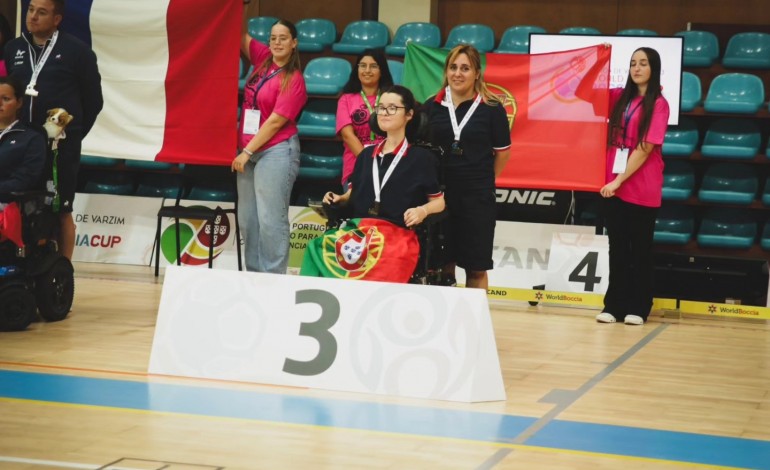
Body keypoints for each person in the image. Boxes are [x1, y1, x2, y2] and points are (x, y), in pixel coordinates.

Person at [301, 85, 445, 283]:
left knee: (384, 261)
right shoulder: (366, 155)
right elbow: (355, 192)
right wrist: (340, 198)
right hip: (360, 231)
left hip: (395, 235)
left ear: (409, 114)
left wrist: (422, 210)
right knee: (316, 247)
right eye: (381, 107)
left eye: (392, 108)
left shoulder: (421, 158)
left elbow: (439, 202)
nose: (384, 113)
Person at [3, 0, 103, 260]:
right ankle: (24, 266)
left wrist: (72, 135)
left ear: (57, 19)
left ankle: (63, 274)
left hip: (59, 148)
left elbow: (93, 101)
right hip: (22, 146)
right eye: (31, 10)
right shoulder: (13, 48)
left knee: (60, 209)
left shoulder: (77, 52)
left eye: (42, 12)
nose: (33, 16)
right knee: (22, 205)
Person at [594, 47, 670, 325]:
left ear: (654, 68)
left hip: (640, 185)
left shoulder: (659, 104)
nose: (637, 68)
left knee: (639, 249)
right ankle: (614, 305)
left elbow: (646, 146)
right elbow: (580, 93)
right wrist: (595, 58)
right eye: (633, 64)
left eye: (643, 64)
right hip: (612, 185)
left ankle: (639, 306)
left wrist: (618, 180)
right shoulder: (617, 96)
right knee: (617, 248)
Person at [425, 44, 511, 290]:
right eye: (453, 67)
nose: (458, 74)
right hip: (439, 196)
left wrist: (482, 181)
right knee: (441, 265)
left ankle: (476, 325)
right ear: (446, 71)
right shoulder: (431, 106)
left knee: (476, 267)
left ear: (476, 73)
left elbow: (503, 154)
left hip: (476, 198)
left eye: (465, 68)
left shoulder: (492, 109)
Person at [231, 19, 307, 274]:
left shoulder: (294, 79)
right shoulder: (263, 58)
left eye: (283, 38)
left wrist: (247, 151)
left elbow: (275, 122)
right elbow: (239, 34)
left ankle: (273, 278)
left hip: (275, 151)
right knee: (248, 221)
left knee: (270, 220)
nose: (277, 42)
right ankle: (254, 276)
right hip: (249, 151)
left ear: (294, 43)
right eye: (273, 37)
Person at [336, 48, 393, 188]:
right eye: (363, 66)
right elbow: (348, 136)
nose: (367, 70)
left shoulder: (392, 97)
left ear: (382, 71)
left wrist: (382, 164)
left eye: (373, 66)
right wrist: (369, 162)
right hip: (357, 166)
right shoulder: (346, 99)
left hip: (389, 164)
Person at [0, 76, 46, 247]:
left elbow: (25, 179)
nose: (0, 104)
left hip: (8, 202)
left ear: (19, 102)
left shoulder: (31, 138)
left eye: (5, 99)